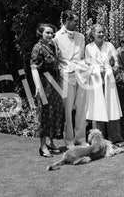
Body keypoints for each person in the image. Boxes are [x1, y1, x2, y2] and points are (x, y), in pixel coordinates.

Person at [53, 10, 89, 148]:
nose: (77, 22)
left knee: (81, 108)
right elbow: (57, 59)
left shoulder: (81, 37)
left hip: (82, 75)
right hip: (66, 75)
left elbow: (81, 56)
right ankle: (69, 140)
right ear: (67, 21)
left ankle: (81, 138)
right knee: (67, 109)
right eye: (74, 20)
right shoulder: (56, 37)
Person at [85, 24, 124, 144]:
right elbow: (87, 64)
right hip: (96, 80)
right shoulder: (88, 48)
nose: (101, 34)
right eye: (99, 32)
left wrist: (113, 68)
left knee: (111, 106)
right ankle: (98, 140)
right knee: (97, 108)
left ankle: (116, 138)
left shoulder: (109, 45)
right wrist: (96, 69)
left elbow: (116, 61)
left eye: (103, 32)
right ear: (93, 34)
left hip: (108, 78)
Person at [31, 23, 64, 157]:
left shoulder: (52, 46)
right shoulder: (38, 48)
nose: (50, 35)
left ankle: (51, 143)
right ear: (41, 34)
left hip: (54, 85)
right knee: (44, 114)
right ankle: (42, 146)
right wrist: (38, 86)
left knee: (54, 113)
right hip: (44, 84)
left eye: (52, 33)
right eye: (47, 33)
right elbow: (34, 68)